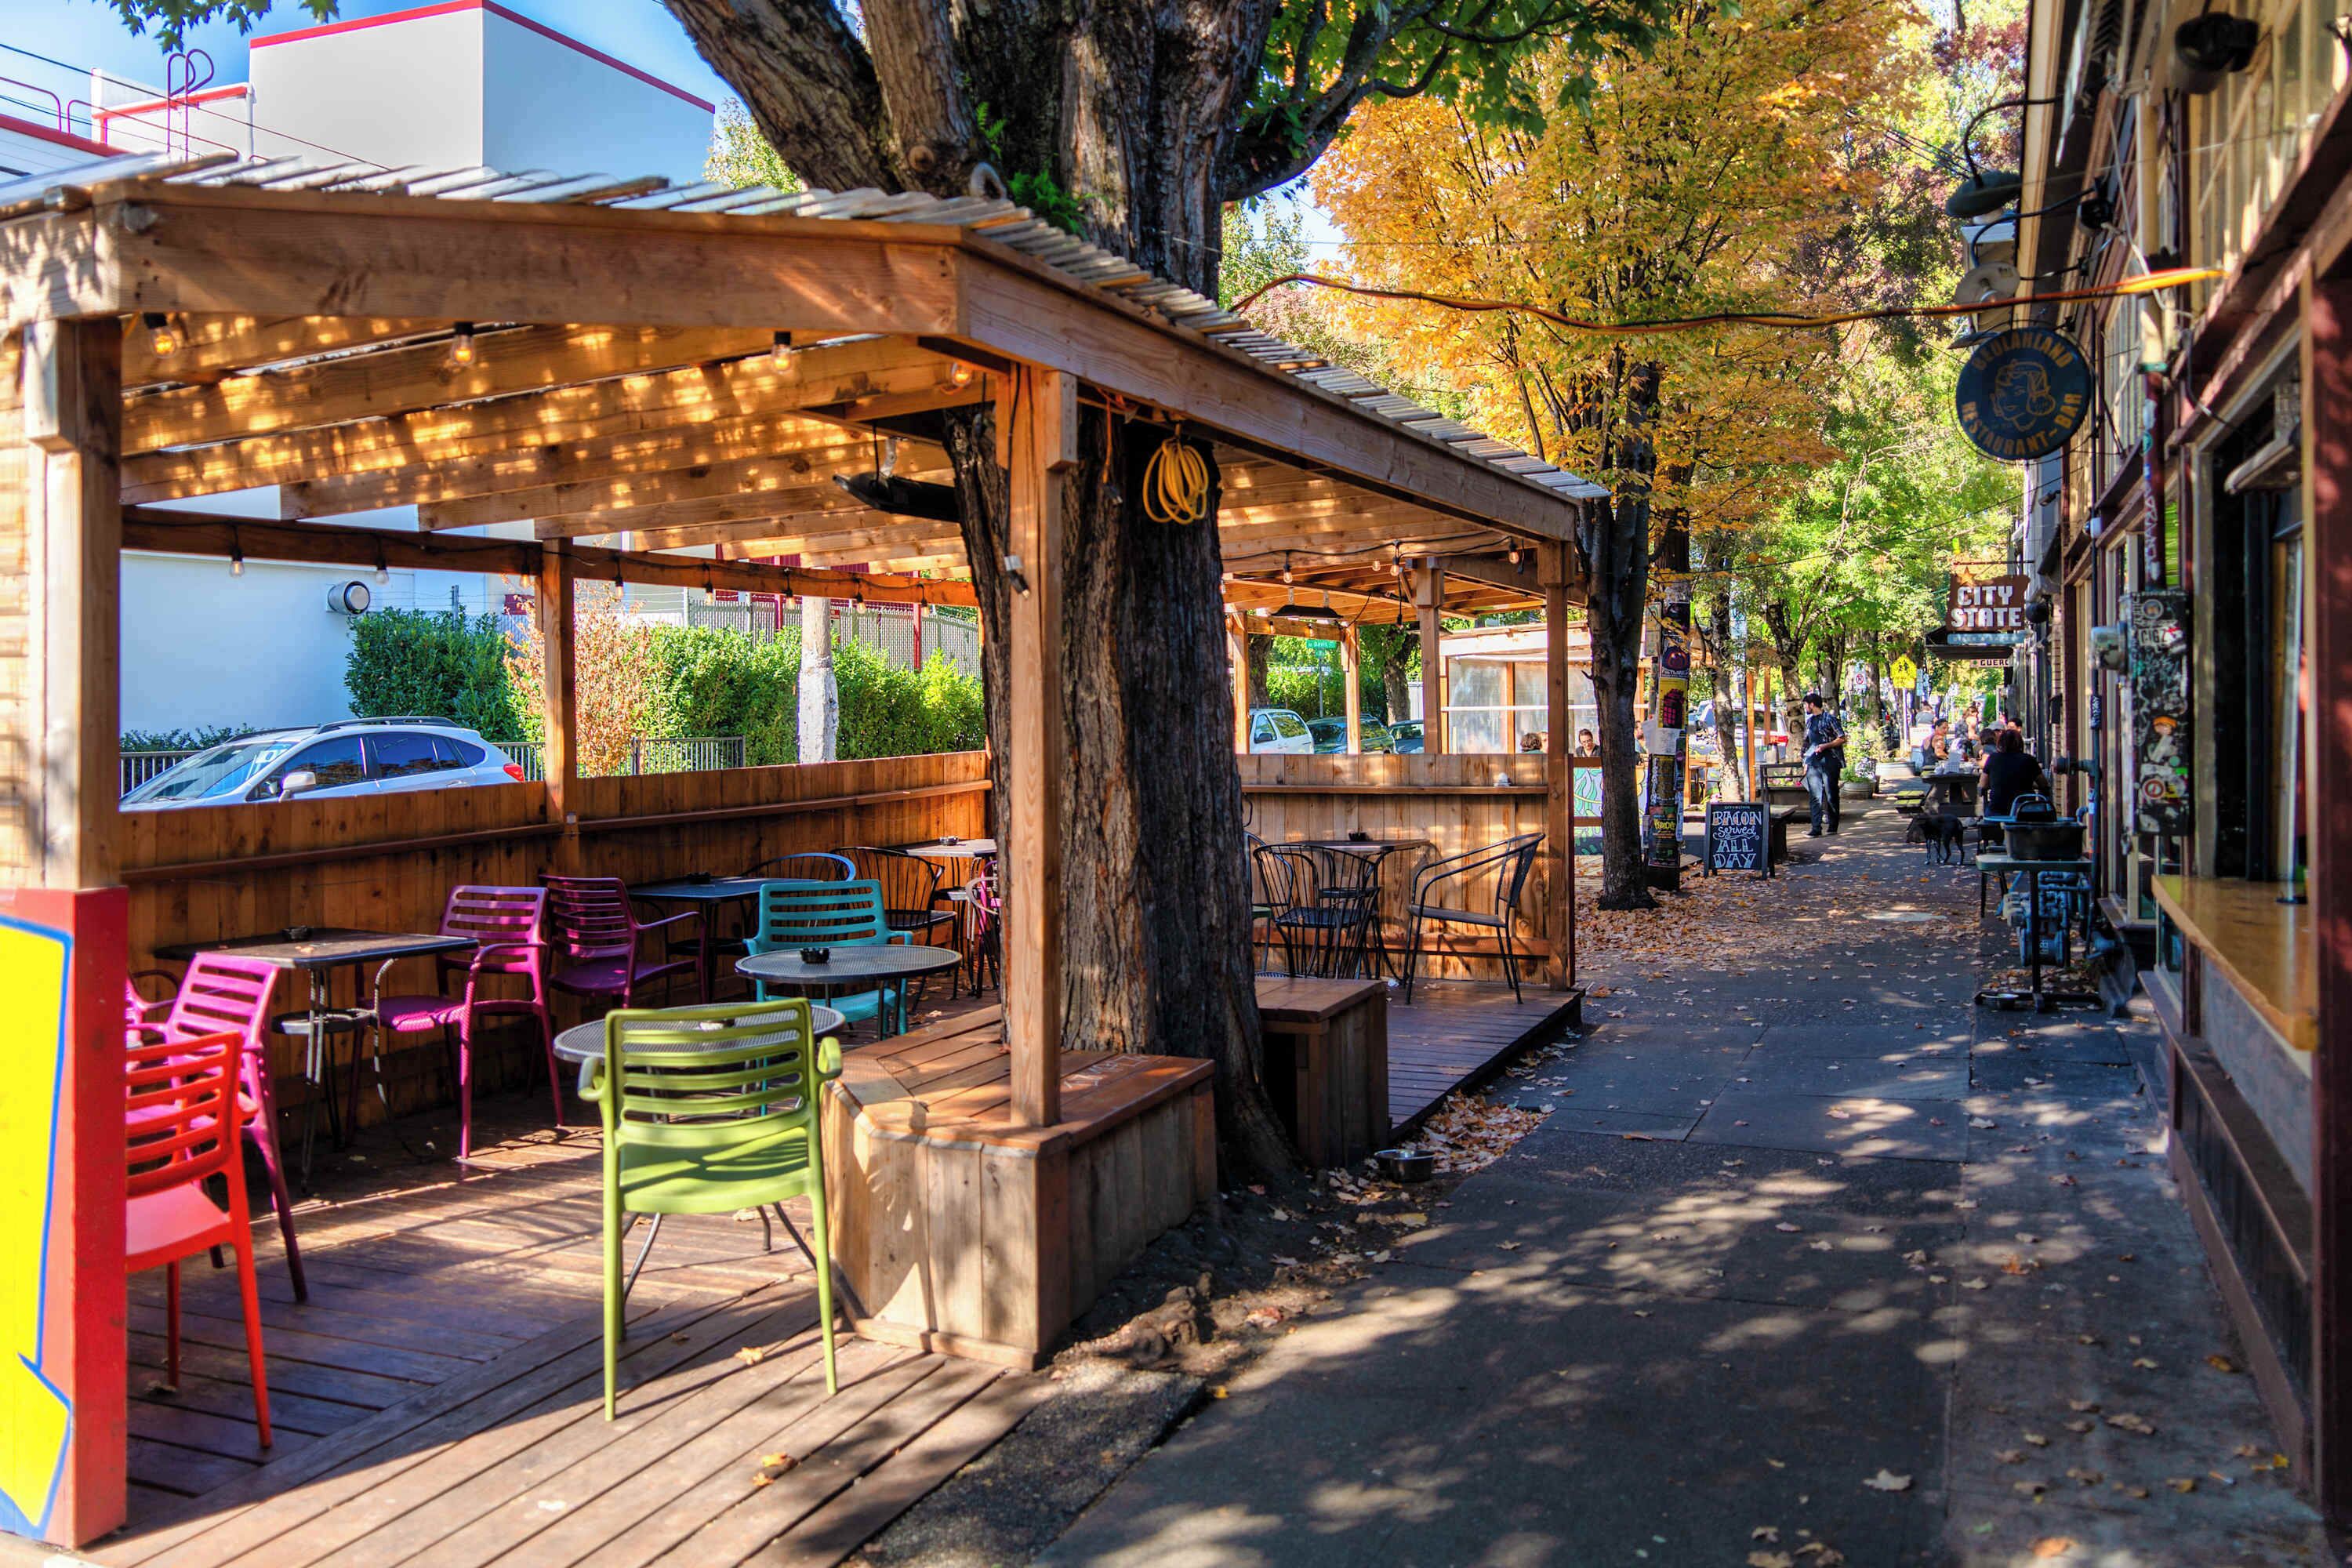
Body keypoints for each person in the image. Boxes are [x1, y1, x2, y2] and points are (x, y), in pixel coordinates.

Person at [1799, 691, 1846, 837]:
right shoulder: (1810, 721)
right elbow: (1806, 743)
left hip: (1830, 760)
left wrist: (1826, 745)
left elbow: (1842, 737)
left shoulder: (1829, 719)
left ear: (1812, 705)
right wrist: (1805, 761)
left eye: (1806, 705)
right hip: (1814, 761)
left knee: (1831, 793)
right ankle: (1816, 828)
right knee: (1814, 795)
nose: (1805, 707)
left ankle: (1833, 826)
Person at [1981, 727, 2045, 818]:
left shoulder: (1993, 758)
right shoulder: (2029, 760)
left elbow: (1983, 784)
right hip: (2024, 810)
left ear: (2000, 743)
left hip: (1998, 810)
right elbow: (2043, 784)